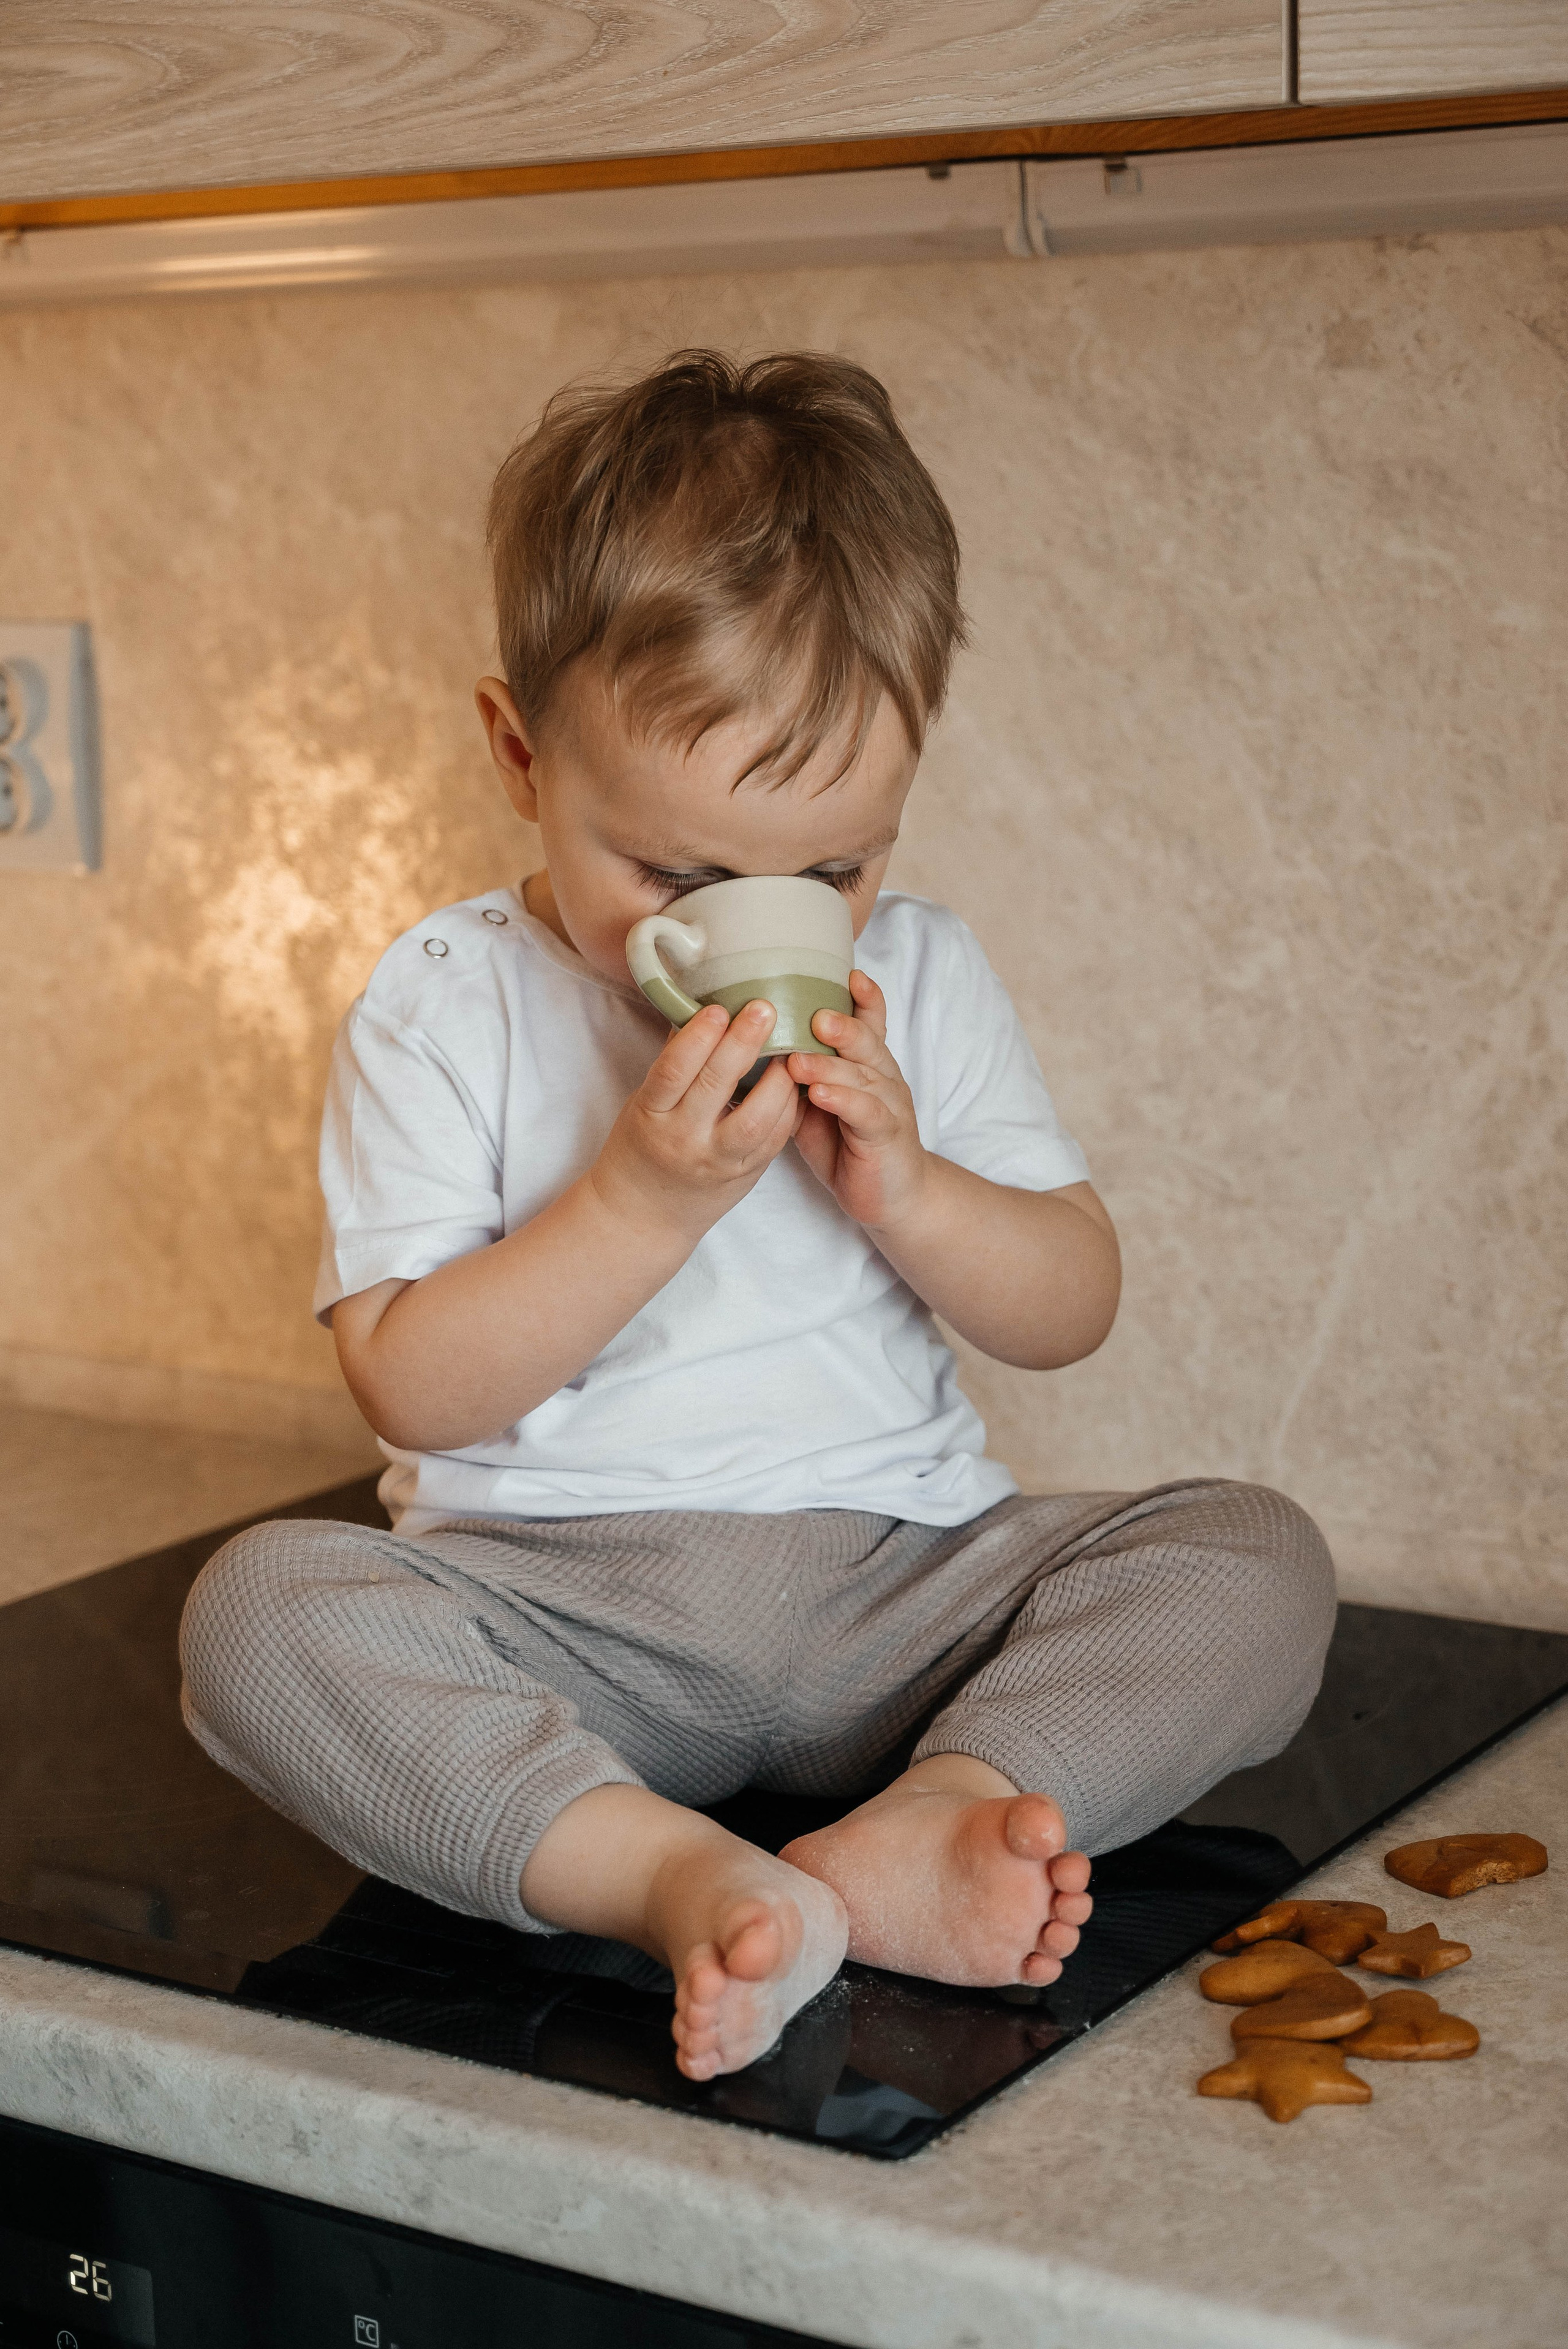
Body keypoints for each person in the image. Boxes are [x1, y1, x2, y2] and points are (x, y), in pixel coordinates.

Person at [181, 352, 1335, 2083]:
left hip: (899, 1594)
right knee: (257, 1615)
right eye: (681, 877)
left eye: (835, 873)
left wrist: (915, 1191)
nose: (770, 928)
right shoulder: (444, 1002)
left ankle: (940, 1816)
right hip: (559, 1616)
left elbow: (1071, 1302)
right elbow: (411, 1387)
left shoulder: (922, 974)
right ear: (520, 754)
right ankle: (663, 1873)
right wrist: (641, 1201)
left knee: (1257, 1556)